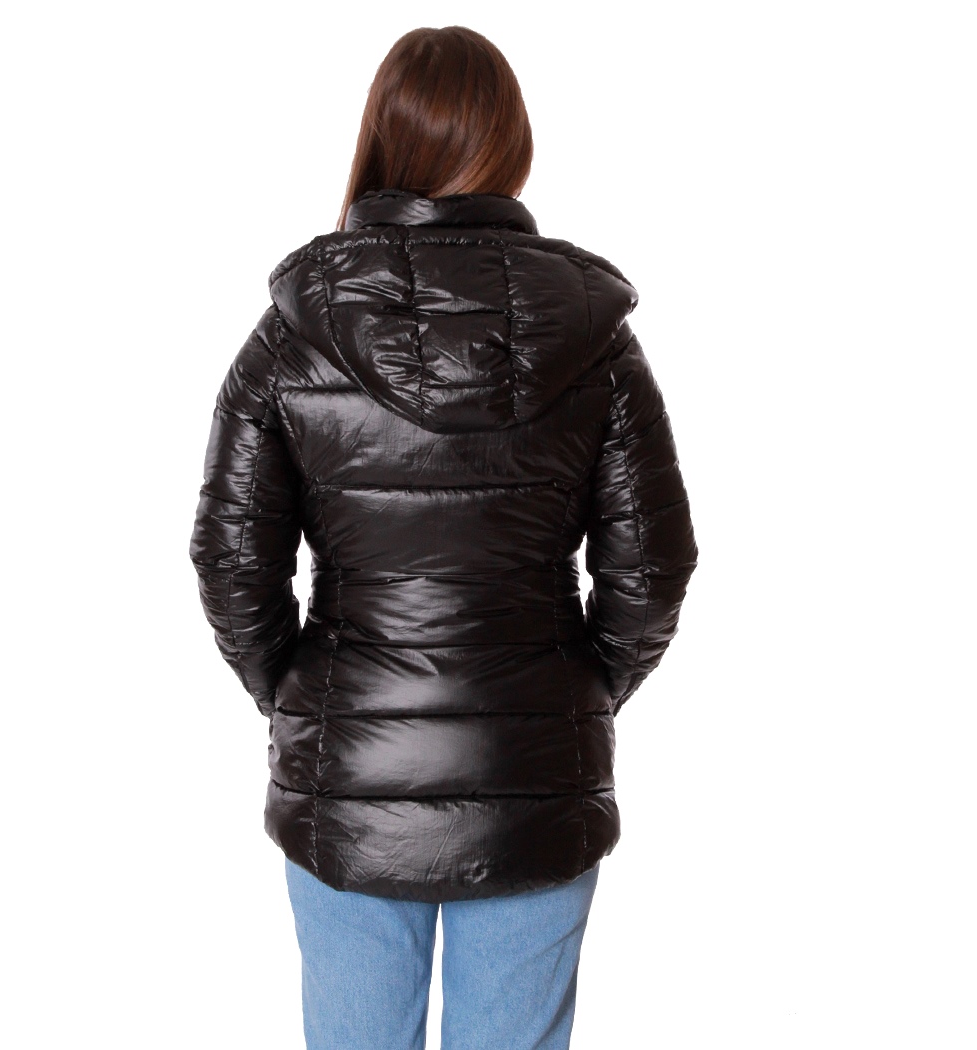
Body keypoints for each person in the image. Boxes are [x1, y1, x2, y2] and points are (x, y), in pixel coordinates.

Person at [189, 24, 698, 1050]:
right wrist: (576, 691)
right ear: (513, 143)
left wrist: (302, 696)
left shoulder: (294, 332)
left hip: (348, 776)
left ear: (380, 139)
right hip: (533, 779)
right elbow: (653, 567)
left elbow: (232, 560)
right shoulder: (594, 335)